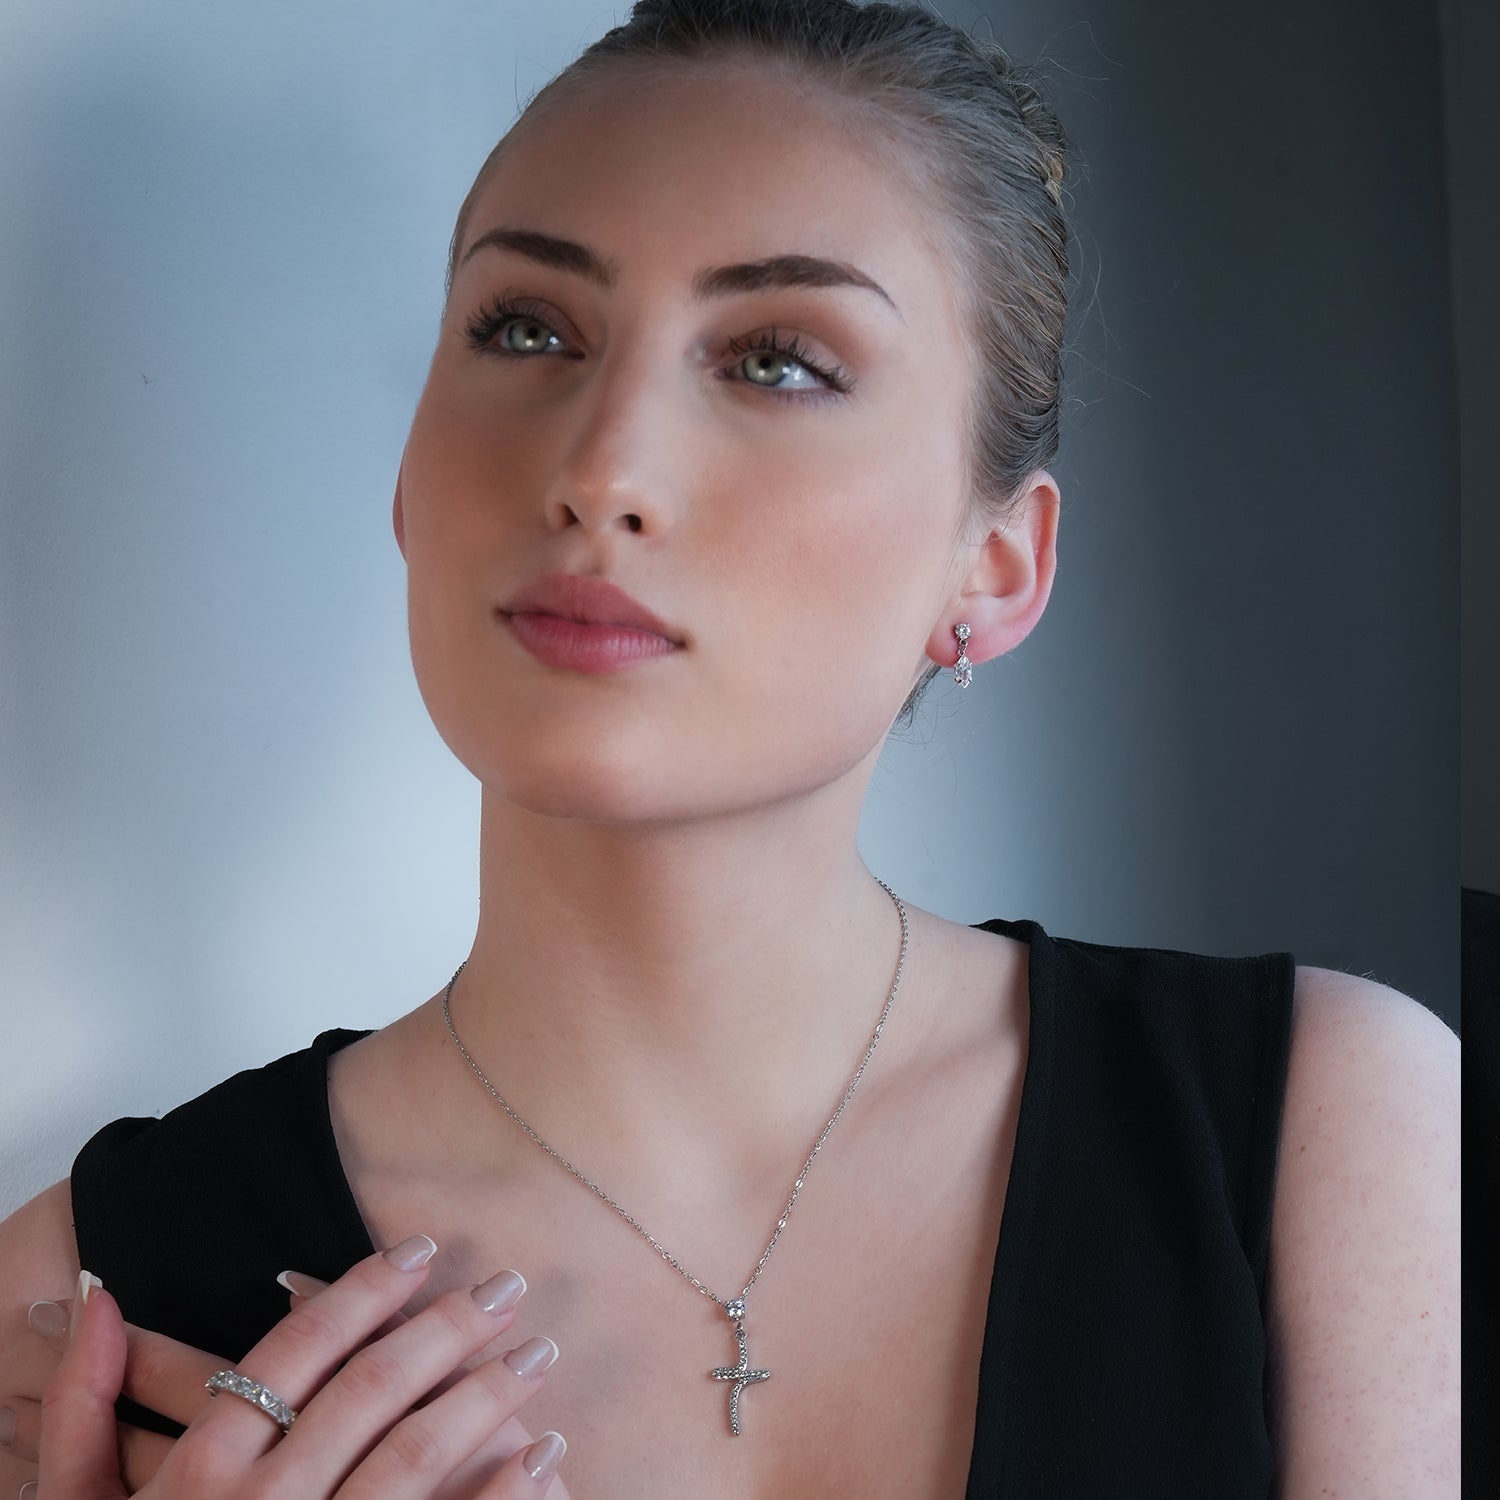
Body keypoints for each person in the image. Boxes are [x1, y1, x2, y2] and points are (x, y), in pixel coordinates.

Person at [0, 0, 1460, 1495]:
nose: (603, 468)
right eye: (526, 330)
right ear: (409, 475)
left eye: (778, 360)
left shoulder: (1327, 1134)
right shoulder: (73, 1310)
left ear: (997, 565)